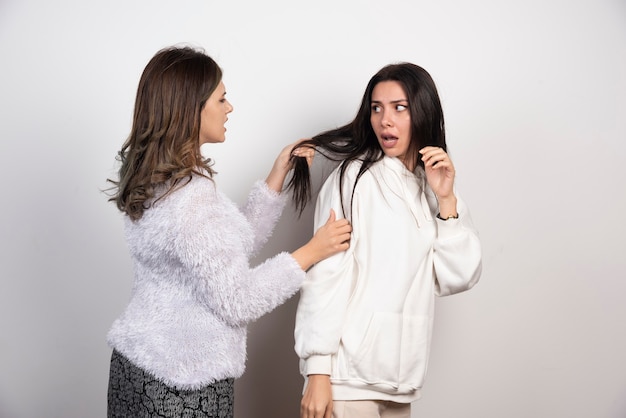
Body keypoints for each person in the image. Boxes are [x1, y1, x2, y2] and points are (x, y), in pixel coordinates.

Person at [105, 45, 352, 418]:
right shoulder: (190, 199)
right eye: (221, 98)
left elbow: (221, 252)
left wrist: (276, 177)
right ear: (191, 109)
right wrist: (310, 253)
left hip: (138, 368)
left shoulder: (157, 180)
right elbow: (238, 299)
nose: (229, 107)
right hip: (180, 386)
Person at [289, 63, 483, 418]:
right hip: (347, 383)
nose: (384, 120)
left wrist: (448, 201)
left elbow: (458, 275)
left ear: (422, 113)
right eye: (376, 108)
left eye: (399, 107)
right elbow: (325, 277)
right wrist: (318, 372)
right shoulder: (354, 178)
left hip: (400, 383)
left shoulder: (429, 186)